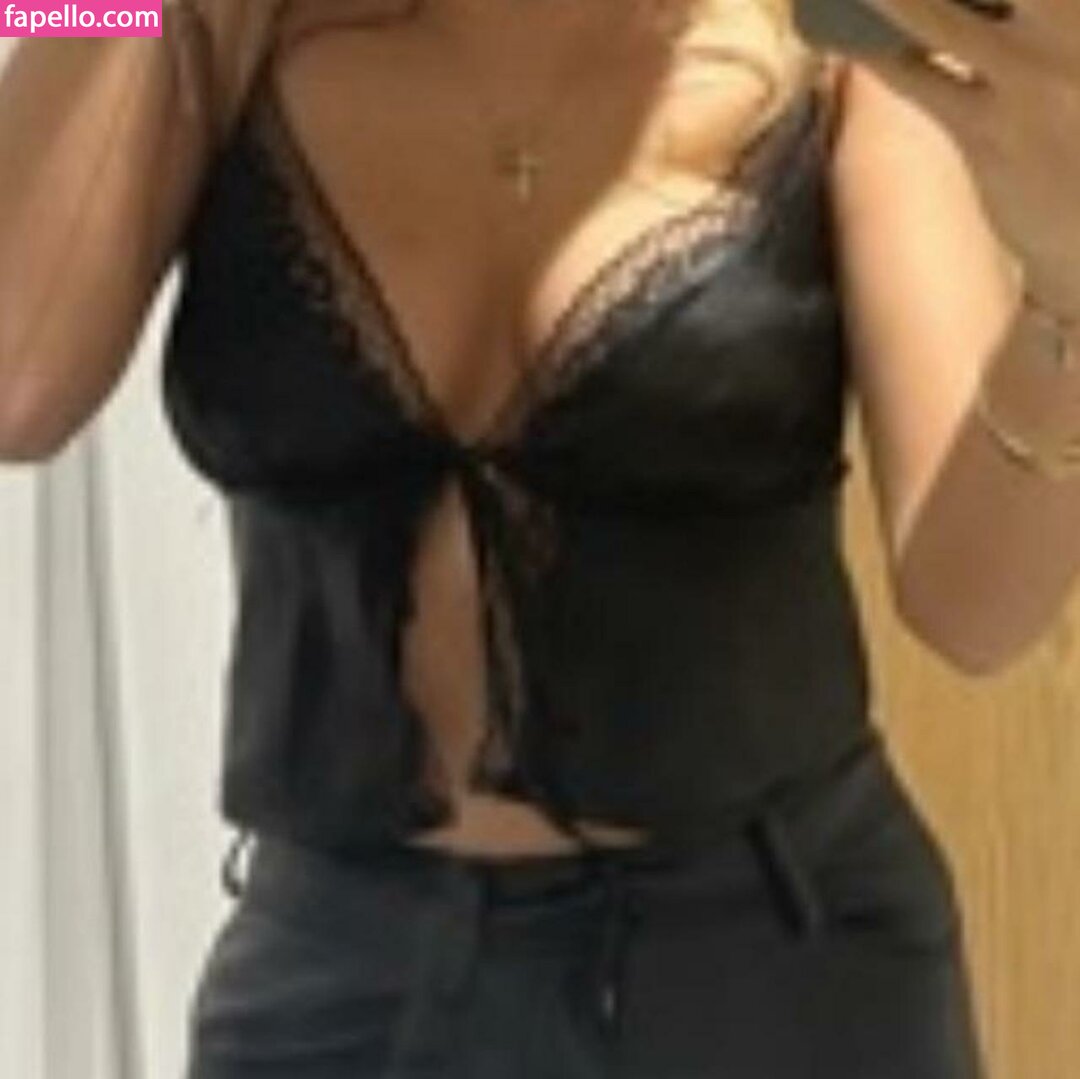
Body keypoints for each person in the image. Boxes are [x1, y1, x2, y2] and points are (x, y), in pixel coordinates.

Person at [7, 0, 1080, 1076]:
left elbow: (977, 611)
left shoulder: (840, 48)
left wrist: (1069, 292)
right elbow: (17, 389)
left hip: (770, 961)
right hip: (334, 979)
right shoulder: (221, 25)